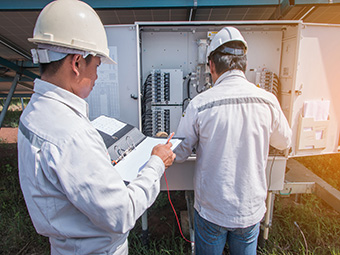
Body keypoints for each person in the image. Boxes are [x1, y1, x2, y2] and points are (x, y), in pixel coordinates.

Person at [17, 0, 175, 254]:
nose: (98, 77)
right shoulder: (72, 133)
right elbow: (121, 213)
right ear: (77, 63)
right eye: (97, 66)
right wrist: (156, 162)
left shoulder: (33, 114)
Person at [174, 26, 292, 255]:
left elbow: (180, 152)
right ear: (244, 64)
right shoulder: (268, 101)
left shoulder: (200, 103)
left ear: (211, 65)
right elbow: (284, 141)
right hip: (250, 211)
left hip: (212, 210)